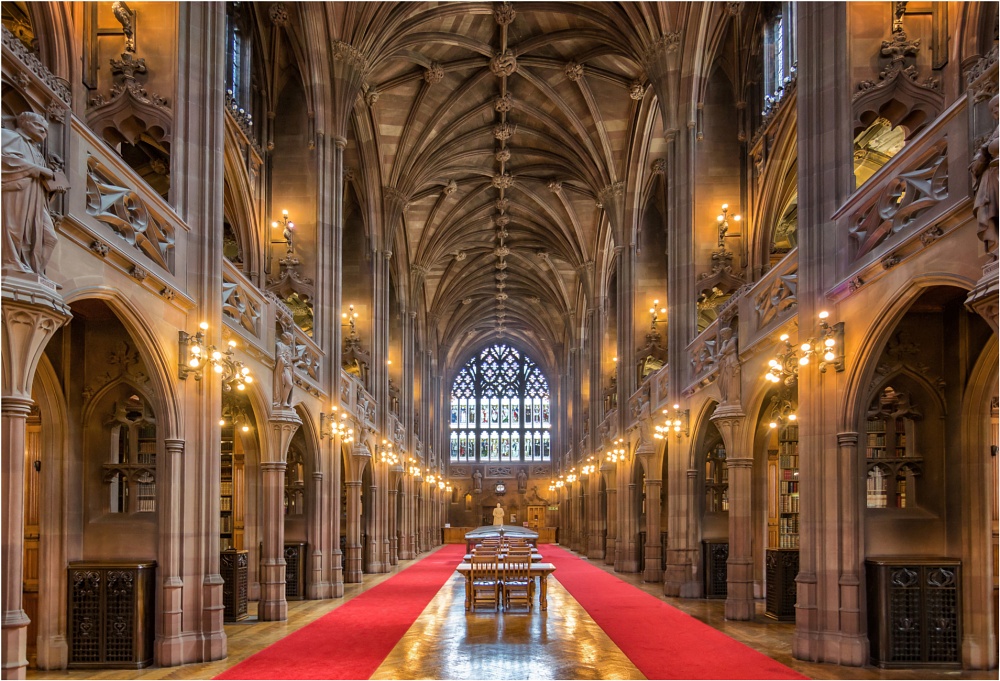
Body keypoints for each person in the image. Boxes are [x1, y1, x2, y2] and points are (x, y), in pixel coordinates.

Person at [2, 111, 66, 276]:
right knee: (14, 229)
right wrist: (38, 169)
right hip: (17, 191)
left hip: (37, 198)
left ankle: (37, 272)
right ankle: (11, 262)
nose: (43, 131)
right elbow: (4, 161)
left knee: (49, 238)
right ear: (24, 122)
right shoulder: (10, 136)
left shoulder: (37, 152)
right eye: (38, 125)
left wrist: (53, 188)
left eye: (45, 130)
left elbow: (42, 179)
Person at [971, 94, 999, 258]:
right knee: (989, 213)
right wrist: (984, 152)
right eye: (994, 110)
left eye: (998, 106)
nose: (996, 112)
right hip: (992, 178)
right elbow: (975, 165)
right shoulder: (994, 133)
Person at [717, 324, 741, 405]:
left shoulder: (733, 339)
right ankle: (726, 398)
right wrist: (724, 345)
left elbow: (724, 351)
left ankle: (732, 398)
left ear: (728, 333)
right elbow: (719, 355)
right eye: (721, 335)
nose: (722, 337)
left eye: (723, 334)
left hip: (731, 361)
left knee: (731, 379)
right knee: (722, 382)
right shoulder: (725, 342)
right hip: (725, 363)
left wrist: (724, 349)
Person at [274, 331, 295, 407]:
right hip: (284, 367)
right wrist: (285, 362)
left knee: (289, 384)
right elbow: (279, 355)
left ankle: (284, 402)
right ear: (286, 338)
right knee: (289, 384)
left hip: (289, 368)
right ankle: (283, 401)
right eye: (290, 340)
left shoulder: (288, 348)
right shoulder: (279, 345)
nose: (291, 342)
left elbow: (289, 358)